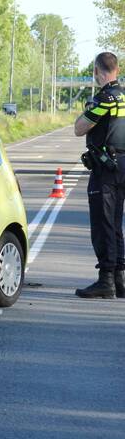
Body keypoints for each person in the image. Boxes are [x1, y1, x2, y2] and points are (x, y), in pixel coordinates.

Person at [74, 51, 125, 298]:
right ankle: (119, 279)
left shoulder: (105, 98)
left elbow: (79, 128)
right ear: (117, 69)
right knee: (116, 223)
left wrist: (85, 113)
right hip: (123, 166)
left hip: (105, 169)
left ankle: (106, 281)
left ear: (97, 71)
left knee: (102, 223)